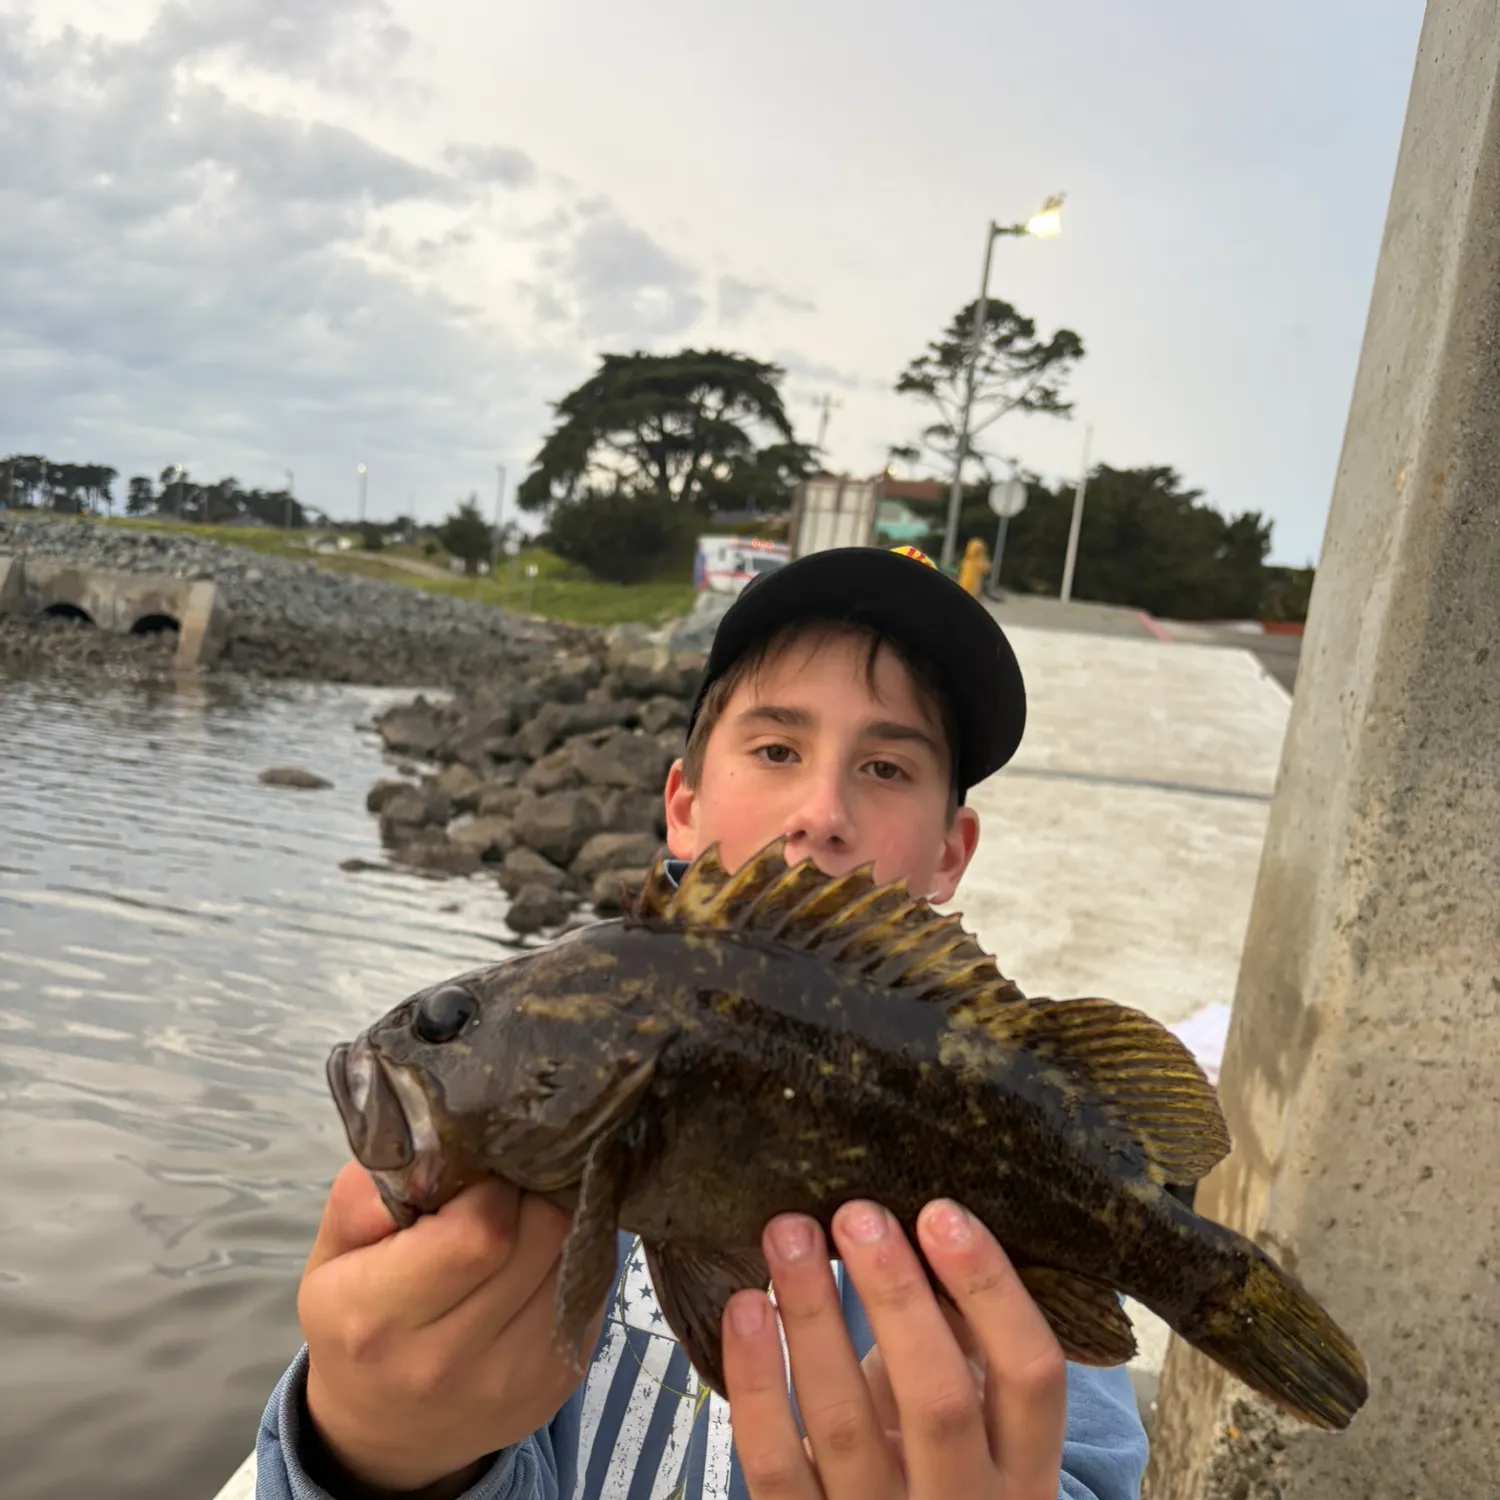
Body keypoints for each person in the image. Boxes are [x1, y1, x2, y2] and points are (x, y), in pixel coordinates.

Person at [256, 544, 1150, 1500]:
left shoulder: (1025, 1161)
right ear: (681, 803)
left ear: (950, 852)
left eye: (887, 766)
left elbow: (1092, 1468)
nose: (821, 811)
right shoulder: (519, 1190)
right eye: (776, 749)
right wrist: (374, 1454)